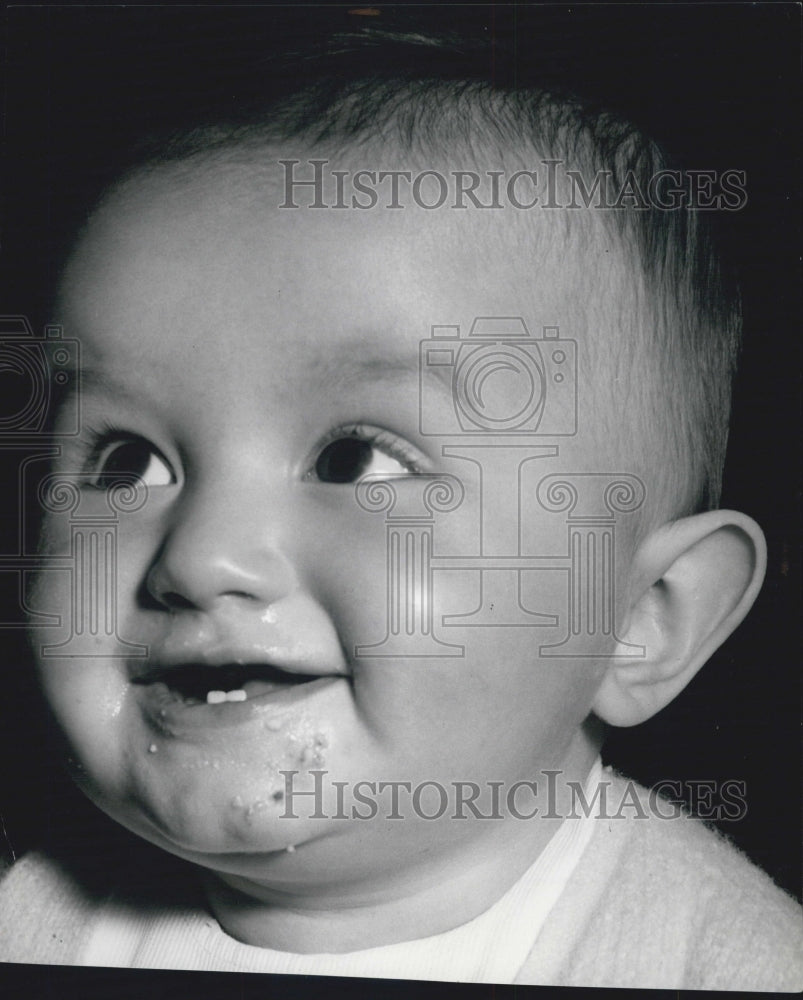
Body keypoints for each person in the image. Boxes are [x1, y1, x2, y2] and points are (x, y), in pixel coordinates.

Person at [0, 18, 800, 990]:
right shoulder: (30, 922)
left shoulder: (726, 964)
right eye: (125, 461)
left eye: (356, 460)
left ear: (639, 617)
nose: (202, 554)